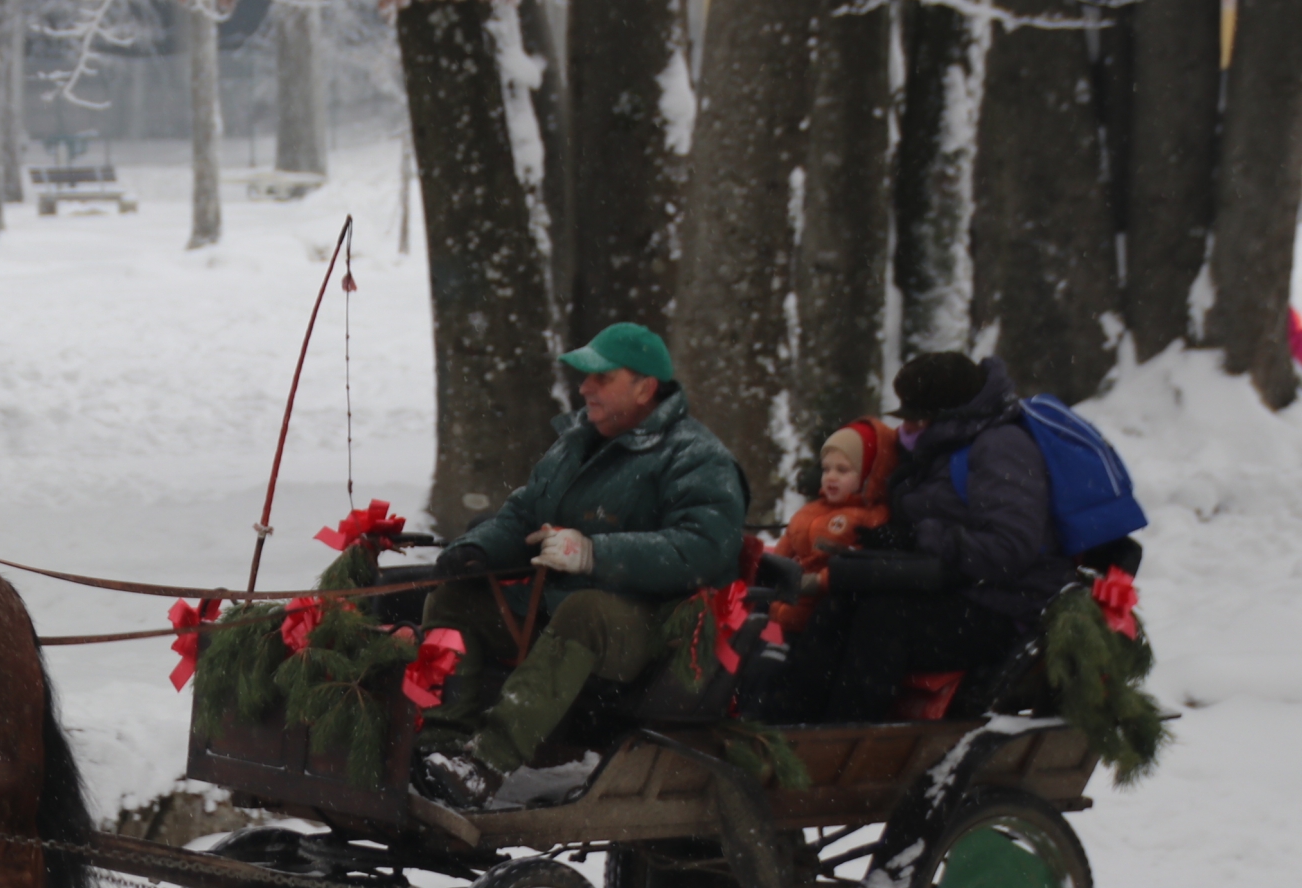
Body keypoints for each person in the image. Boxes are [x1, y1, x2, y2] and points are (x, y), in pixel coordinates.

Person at [418, 322, 747, 809]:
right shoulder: (577, 442)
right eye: (584, 376)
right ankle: (440, 748)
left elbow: (704, 550)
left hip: (661, 627)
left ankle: (485, 764)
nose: (584, 387)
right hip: (558, 604)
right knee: (457, 601)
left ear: (645, 387)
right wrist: (479, 549)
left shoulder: (698, 458)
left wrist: (595, 553)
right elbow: (526, 511)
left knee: (586, 612)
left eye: (601, 377)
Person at [749, 352, 1071, 724]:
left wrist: (919, 537)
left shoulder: (1001, 448)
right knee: (841, 602)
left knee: (884, 621)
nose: (910, 427)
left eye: (918, 417)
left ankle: (844, 743)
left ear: (948, 414)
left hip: (1006, 605)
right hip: (953, 587)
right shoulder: (941, 445)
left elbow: (1009, 548)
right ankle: (785, 724)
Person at [766, 418, 899, 635]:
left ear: (867, 476)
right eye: (826, 469)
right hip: (785, 608)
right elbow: (786, 545)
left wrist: (818, 582)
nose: (831, 477)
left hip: (824, 611)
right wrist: (768, 575)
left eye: (842, 470)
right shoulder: (810, 510)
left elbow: (859, 565)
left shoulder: (872, 517)